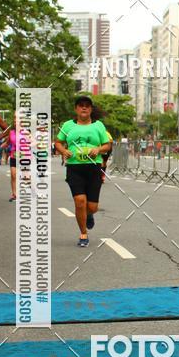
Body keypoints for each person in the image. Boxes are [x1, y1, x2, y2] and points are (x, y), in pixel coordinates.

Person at [55, 95, 112, 247]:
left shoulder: (98, 126)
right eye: (81, 105)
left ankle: (89, 215)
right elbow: (58, 142)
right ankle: (83, 234)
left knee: (92, 207)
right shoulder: (67, 126)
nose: (84, 107)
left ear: (91, 109)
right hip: (75, 169)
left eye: (87, 105)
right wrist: (63, 151)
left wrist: (98, 148)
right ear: (76, 109)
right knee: (80, 202)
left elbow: (107, 145)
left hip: (94, 168)